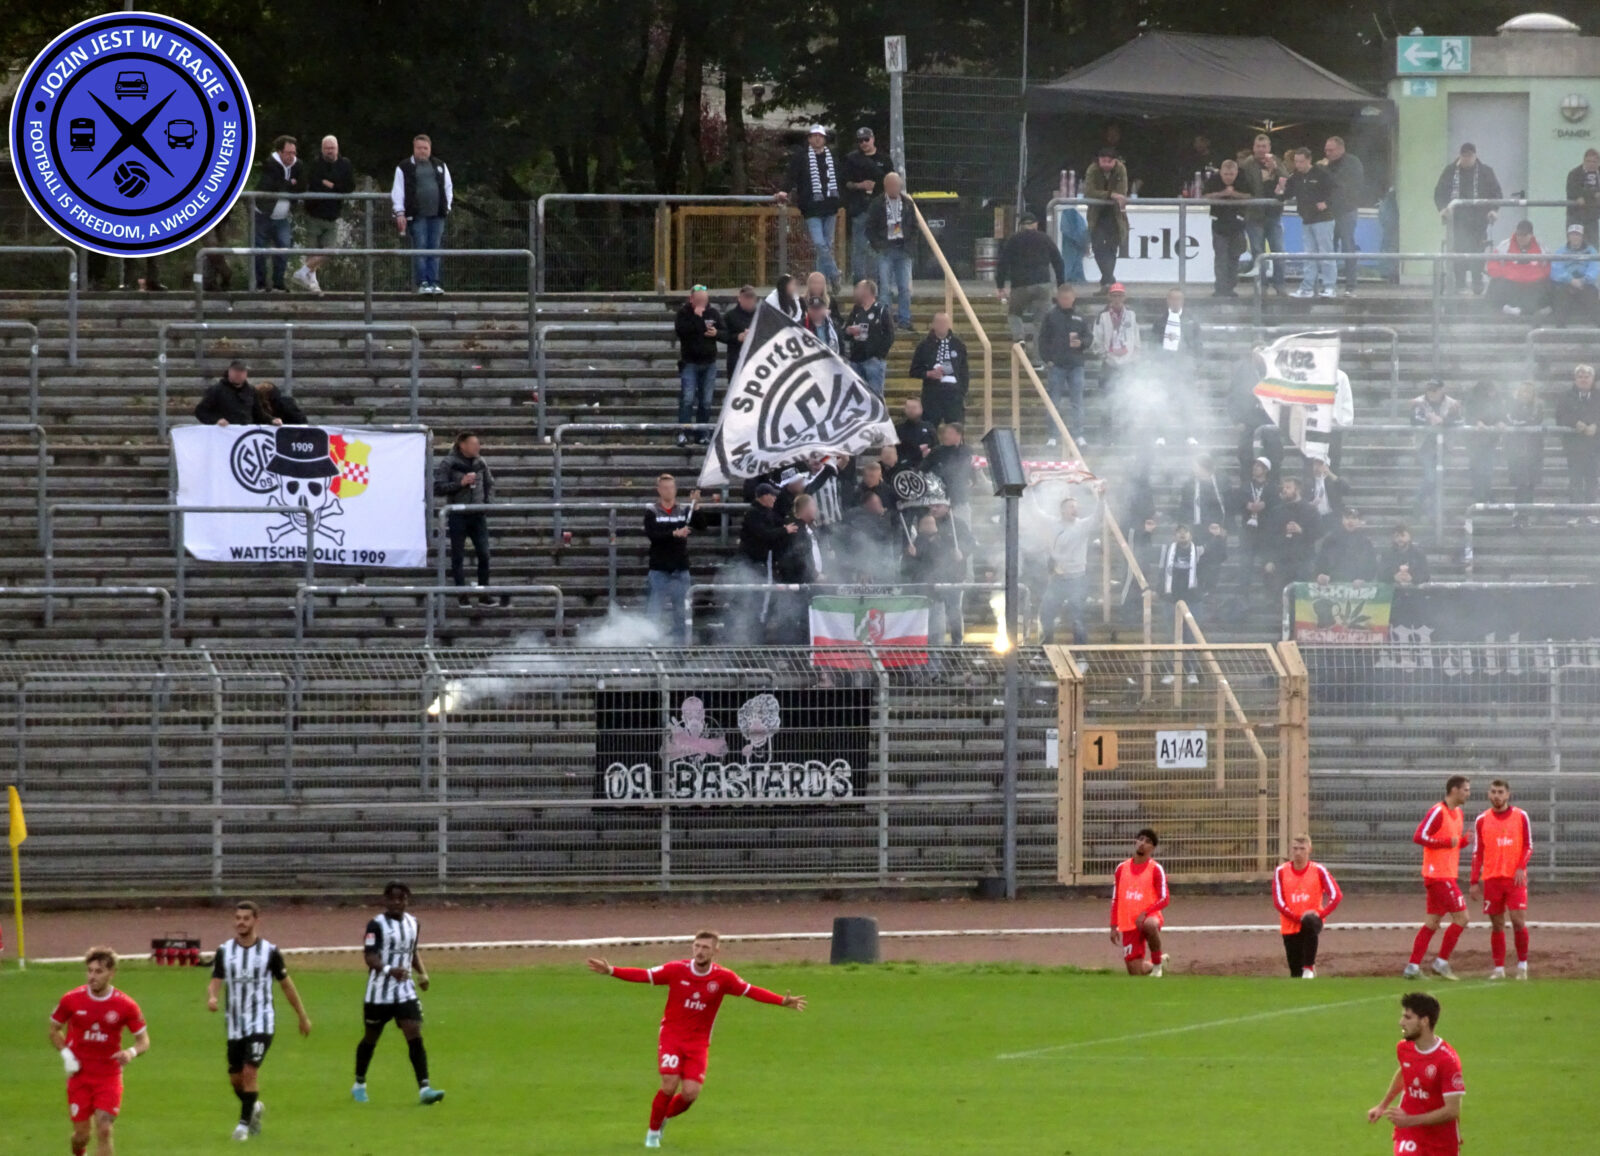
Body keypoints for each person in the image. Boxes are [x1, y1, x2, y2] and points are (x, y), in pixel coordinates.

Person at [586, 931, 805, 1149]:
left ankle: (663, 1119)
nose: (700, 951)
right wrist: (611, 970)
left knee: (690, 1094)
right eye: (697, 946)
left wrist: (781, 1001)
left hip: (698, 1042)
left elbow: (750, 991)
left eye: (705, 948)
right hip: (672, 1035)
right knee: (669, 1083)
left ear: (716, 951)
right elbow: (645, 975)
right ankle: (652, 1136)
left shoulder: (723, 977)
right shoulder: (676, 969)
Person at [207, 900, 313, 1140]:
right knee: (235, 1078)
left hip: (261, 1020)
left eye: (245, 918)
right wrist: (212, 997)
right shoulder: (225, 951)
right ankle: (253, 1108)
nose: (240, 923)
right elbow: (216, 980)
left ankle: (243, 1126)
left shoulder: (270, 952)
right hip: (234, 1023)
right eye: (237, 918)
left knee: (249, 1071)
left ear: (256, 920)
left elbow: (286, 985)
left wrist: (302, 1016)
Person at [50, 947, 151, 1156]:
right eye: (90, 971)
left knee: (104, 1129)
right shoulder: (71, 1000)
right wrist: (67, 1055)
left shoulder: (126, 1005)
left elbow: (143, 1041)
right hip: (80, 1077)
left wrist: (130, 1053)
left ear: (111, 973)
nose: (92, 976)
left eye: (98, 972)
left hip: (109, 1076)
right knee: (81, 1136)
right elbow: (54, 1030)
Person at [352, 882, 445, 1105]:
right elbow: (370, 956)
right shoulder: (375, 925)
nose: (397, 902)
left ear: (407, 901)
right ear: (385, 900)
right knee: (371, 1037)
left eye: (401, 899)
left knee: (414, 1033)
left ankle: (425, 1088)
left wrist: (423, 973)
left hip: (405, 990)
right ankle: (360, 1083)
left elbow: (412, 951)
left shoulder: (414, 923)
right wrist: (388, 970)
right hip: (378, 994)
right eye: (392, 898)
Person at [1365, 993, 1465, 1156]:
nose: (1401, 1022)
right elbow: (1406, 1073)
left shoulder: (1447, 1060)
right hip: (1409, 1134)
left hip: (1441, 1141)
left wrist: (1410, 1120)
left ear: (1424, 1021)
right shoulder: (1405, 1048)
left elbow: (1452, 1110)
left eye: (1407, 1017)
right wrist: (1382, 1105)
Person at [1404, 775, 1472, 981]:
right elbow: (1419, 836)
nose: (1468, 793)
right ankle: (1441, 962)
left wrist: (1461, 843)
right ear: (1454, 790)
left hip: (1446, 874)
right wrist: (1446, 842)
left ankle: (1412, 967)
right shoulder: (1437, 811)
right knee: (1462, 918)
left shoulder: (1458, 813)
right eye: (1466, 789)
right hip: (1439, 876)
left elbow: (1451, 843)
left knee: (1432, 923)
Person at [1471, 778, 1533, 980]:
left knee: (1517, 921)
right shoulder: (1482, 820)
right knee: (1497, 924)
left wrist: (1520, 868)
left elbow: (1528, 846)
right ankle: (1499, 968)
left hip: (1514, 879)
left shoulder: (1520, 816)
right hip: (1491, 879)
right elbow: (1477, 852)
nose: (1496, 795)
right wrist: (1473, 881)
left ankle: (1522, 965)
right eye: (1493, 792)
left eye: (1500, 792)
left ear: (1508, 794)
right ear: (1489, 794)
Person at [433, 432, 496, 602]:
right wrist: (460, 484)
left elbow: (490, 483)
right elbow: (438, 487)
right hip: (458, 514)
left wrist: (487, 503)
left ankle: (484, 594)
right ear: (463, 445)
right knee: (458, 556)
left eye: (478, 444)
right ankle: (462, 595)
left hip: (477, 514)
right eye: (474, 444)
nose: (478, 447)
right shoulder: (449, 462)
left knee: (484, 554)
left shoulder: (480, 462)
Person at [1433, 143, 1502, 295]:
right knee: (1458, 251)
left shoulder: (1485, 172)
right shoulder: (1450, 171)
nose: (1467, 159)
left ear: (1475, 156)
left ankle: (1477, 283)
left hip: (1479, 221)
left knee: (1477, 251)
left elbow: (1496, 193)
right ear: (1460, 156)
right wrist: (1443, 209)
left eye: (1470, 156)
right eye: (1464, 156)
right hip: (1456, 221)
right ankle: (1460, 283)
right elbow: (1439, 192)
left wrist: (1493, 210)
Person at [781, 125, 842, 289]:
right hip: (811, 208)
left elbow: (840, 178)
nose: (817, 139)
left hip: (830, 206)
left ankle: (820, 284)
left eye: (820, 136)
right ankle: (835, 274)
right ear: (809, 139)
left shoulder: (832, 157)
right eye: (813, 136)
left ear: (824, 139)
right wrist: (783, 190)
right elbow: (791, 176)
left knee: (827, 246)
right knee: (820, 244)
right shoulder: (801, 157)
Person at [391, 134, 453, 295]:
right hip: (417, 215)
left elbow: (448, 188)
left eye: (425, 148)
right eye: (419, 148)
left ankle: (434, 282)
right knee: (420, 247)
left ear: (430, 149)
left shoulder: (440, 165)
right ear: (414, 148)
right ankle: (423, 282)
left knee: (435, 248)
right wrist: (400, 212)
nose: (422, 151)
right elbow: (398, 191)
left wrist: (447, 207)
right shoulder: (404, 167)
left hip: (437, 215)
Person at [1272, 834, 1342, 978]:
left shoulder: (1318, 870)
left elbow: (1336, 895)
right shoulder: (1281, 871)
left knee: (1309, 922)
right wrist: (1297, 917)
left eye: (1302, 849)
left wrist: (1320, 915)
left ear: (1309, 849)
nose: (1298, 852)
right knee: (1295, 971)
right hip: (1290, 923)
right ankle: (1305, 972)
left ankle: (1309, 967)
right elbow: (1278, 901)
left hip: (1311, 921)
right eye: (1295, 848)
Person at [645, 475, 703, 645]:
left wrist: (696, 506)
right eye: (664, 488)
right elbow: (653, 535)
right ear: (658, 490)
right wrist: (673, 533)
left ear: (675, 489)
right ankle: (651, 648)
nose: (668, 491)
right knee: (654, 611)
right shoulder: (652, 511)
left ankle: (681, 650)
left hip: (680, 568)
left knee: (681, 612)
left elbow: (701, 525)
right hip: (659, 568)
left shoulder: (684, 510)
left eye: (671, 487)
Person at [293, 134, 355, 294]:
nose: (330, 151)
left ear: (337, 148)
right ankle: (312, 284)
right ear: (322, 150)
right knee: (312, 251)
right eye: (327, 148)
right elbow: (314, 183)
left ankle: (302, 272)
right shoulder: (315, 164)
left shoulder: (345, 164)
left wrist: (331, 185)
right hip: (314, 213)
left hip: (332, 215)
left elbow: (349, 187)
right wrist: (332, 186)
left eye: (332, 148)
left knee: (330, 251)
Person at [995, 212, 1065, 348]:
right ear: (1036, 225)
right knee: (1041, 323)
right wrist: (1061, 285)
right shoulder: (1045, 238)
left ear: (1021, 226)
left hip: (1020, 286)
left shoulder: (1013, 239)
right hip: (1043, 285)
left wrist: (1000, 286)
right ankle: (1038, 361)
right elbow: (1058, 262)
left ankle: (1019, 338)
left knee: (1014, 314)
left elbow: (1002, 263)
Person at [1109, 828, 1169, 976]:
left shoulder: (1155, 869)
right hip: (1129, 922)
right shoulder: (1121, 868)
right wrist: (1113, 926)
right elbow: (1116, 898)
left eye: (1148, 842)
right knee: (1135, 971)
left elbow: (1164, 898)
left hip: (1149, 916)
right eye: (1141, 839)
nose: (1143, 843)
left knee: (1150, 925)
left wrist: (1145, 913)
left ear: (1153, 848)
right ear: (1135, 842)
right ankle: (1157, 961)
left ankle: (1157, 966)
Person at [1038, 283, 1092, 444]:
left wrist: (1082, 343)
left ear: (1073, 298)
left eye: (1068, 298)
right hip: (1057, 365)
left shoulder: (1080, 316)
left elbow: (1089, 337)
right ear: (1058, 298)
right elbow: (1042, 339)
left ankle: (1078, 435)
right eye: (1062, 298)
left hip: (1076, 365)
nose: (1065, 301)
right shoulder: (1051, 316)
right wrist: (1047, 359)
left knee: (1077, 401)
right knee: (1054, 401)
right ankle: (1053, 436)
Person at [1038, 496, 1095, 645]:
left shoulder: (1083, 525)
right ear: (1062, 510)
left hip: (1077, 579)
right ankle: (1045, 651)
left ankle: (1081, 656)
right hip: (1058, 579)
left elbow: (1099, 515)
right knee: (1045, 613)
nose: (1075, 509)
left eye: (1076, 507)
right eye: (1071, 506)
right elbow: (1035, 513)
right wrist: (1030, 489)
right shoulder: (1053, 524)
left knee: (1077, 618)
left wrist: (1101, 497)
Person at [903, 510, 965, 644]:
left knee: (937, 631)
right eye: (926, 523)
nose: (929, 526)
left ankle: (935, 663)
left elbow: (950, 566)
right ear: (919, 527)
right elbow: (905, 570)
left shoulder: (945, 543)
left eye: (932, 523)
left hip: (939, 593)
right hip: (920, 594)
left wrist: (958, 557)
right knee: (920, 631)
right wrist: (909, 556)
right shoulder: (914, 545)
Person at [864, 172, 917, 333]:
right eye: (892, 186)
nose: (895, 189)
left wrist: (911, 244)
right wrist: (877, 245)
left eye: (898, 186)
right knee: (885, 287)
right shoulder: (877, 204)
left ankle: (904, 320)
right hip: (885, 249)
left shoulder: (908, 204)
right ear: (886, 187)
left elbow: (914, 227)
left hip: (903, 249)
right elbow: (870, 228)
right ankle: (885, 321)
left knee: (904, 287)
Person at [842, 127, 892, 283]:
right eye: (860, 140)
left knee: (880, 246)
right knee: (860, 246)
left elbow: (891, 181)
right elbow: (845, 183)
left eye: (866, 139)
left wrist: (876, 186)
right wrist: (860, 185)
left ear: (873, 139)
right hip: (860, 207)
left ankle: (881, 281)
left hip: (880, 208)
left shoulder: (884, 159)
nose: (863, 143)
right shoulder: (852, 159)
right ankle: (859, 281)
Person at [1239, 134, 1288, 295]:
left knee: (1278, 251)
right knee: (1257, 252)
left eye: (1264, 146)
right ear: (1253, 148)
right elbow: (1242, 186)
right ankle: (1262, 285)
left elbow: (1286, 180)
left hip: (1274, 214)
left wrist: (1275, 168)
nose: (1261, 149)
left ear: (1269, 147)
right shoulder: (1247, 164)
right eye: (1258, 146)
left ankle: (1279, 284)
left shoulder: (1276, 161)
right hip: (1255, 215)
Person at [253, 135, 302, 292]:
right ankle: (260, 283)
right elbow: (271, 185)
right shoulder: (269, 164)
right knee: (259, 249)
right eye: (288, 153)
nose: (291, 156)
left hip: (282, 216)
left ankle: (278, 283)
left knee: (284, 248)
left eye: (294, 152)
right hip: (263, 215)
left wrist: (288, 185)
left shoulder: (298, 165)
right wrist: (290, 184)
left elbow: (301, 186)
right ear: (279, 152)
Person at [1285, 148, 1336, 299]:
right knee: (1309, 255)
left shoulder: (1321, 173)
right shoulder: (1295, 176)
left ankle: (1329, 287)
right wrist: (1280, 190)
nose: (1298, 165)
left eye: (1301, 161)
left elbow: (1336, 190)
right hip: (1306, 219)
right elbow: (1287, 194)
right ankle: (1307, 287)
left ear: (1309, 160)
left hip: (1323, 219)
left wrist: (1326, 203)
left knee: (1326, 254)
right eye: (1296, 161)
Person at [674, 285, 721, 443]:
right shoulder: (683, 313)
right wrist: (696, 317)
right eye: (699, 300)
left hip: (709, 363)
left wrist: (717, 333)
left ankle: (702, 433)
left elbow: (725, 332)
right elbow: (682, 332)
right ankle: (683, 432)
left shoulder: (713, 313)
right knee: (688, 398)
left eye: (705, 300)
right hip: (690, 362)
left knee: (706, 400)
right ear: (691, 299)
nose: (703, 303)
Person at [1410, 380, 1463, 519]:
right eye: (1429, 390)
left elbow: (1460, 421)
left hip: (1445, 446)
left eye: (1435, 390)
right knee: (1431, 477)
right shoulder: (1419, 402)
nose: (1431, 393)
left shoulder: (1452, 403)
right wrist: (1429, 419)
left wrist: (1443, 421)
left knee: (1439, 480)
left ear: (1442, 390)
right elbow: (1414, 419)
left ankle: (1432, 511)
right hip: (1425, 445)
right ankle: (1419, 502)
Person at [910, 312, 970, 428]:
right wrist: (928, 373)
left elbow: (964, 371)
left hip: (953, 395)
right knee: (929, 428)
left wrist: (962, 391)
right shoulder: (924, 345)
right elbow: (914, 370)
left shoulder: (958, 345)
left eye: (945, 323)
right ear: (933, 325)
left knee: (955, 428)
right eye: (939, 322)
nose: (942, 325)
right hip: (932, 395)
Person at [1556, 363, 1600, 516]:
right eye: (1580, 377)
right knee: (1575, 480)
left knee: (1592, 480)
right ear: (1575, 379)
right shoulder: (1565, 397)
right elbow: (1560, 417)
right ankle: (1575, 513)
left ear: (1593, 379)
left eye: (1587, 377)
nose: (1583, 380)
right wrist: (1575, 423)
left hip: (1595, 446)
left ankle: (1591, 512)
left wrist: (1596, 425)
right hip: (1574, 446)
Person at [1083, 147, 1130, 291]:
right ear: (1098, 160)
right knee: (1097, 247)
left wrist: (1110, 195)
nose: (1106, 165)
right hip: (1097, 215)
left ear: (1115, 161)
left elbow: (1122, 192)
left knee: (1111, 248)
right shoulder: (1092, 170)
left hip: (1114, 215)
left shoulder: (1121, 169)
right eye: (1103, 161)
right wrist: (1111, 195)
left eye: (1109, 162)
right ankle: (1109, 280)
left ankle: (1107, 282)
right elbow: (1089, 192)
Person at [1322, 136, 1364, 296]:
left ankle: (1350, 286)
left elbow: (1343, 185)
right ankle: (1329, 285)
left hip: (1346, 211)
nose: (1327, 153)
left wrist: (1325, 170)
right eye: (1326, 150)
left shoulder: (1352, 163)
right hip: (1329, 213)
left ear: (1341, 149)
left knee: (1347, 247)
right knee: (1328, 249)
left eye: (1331, 150)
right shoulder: (1326, 165)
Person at [1202, 159, 1250, 296]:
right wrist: (1223, 193)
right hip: (1219, 224)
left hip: (1238, 224)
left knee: (1234, 257)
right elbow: (1205, 195)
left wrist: (1234, 195)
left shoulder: (1242, 178)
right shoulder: (1214, 179)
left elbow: (1250, 195)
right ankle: (1220, 289)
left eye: (1231, 174)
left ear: (1236, 173)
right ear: (1221, 172)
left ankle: (1230, 288)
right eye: (1226, 174)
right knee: (1221, 258)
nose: (1228, 177)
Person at [1262, 477, 1318, 590]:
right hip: (1281, 562)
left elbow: (1318, 533)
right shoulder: (1276, 511)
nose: (1284, 490)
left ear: (1297, 490)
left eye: (1288, 487)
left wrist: (1301, 530)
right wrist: (1269, 560)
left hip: (1303, 561)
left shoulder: (1311, 510)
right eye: (1283, 488)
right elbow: (1268, 538)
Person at [1485, 219, 1549, 316]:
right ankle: (1502, 309)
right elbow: (1492, 265)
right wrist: (1506, 273)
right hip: (1511, 283)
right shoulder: (1505, 245)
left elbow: (1547, 268)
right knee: (1495, 283)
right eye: (1519, 234)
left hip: (1531, 285)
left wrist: (1532, 276)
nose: (1521, 238)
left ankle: (1523, 311)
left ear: (1531, 235)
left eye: (1524, 235)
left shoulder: (1541, 247)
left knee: (1547, 284)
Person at [843, 278, 894, 397]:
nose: (855, 291)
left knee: (875, 397)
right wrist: (849, 331)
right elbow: (845, 330)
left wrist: (878, 356)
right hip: (855, 361)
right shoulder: (856, 310)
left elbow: (890, 335)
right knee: (857, 397)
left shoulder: (881, 310)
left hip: (873, 361)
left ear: (866, 291)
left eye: (858, 289)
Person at [1090, 283, 1139, 399]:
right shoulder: (1102, 316)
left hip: (1128, 363)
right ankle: (1107, 417)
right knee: (1107, 395)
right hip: (1109, 363)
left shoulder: (1131, 315)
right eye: (1114, 296)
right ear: (1109, 297)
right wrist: (1105, 356)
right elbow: (1097, 338)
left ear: (1124, 297)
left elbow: (1136, 337)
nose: (1117, 299)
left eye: (1120, 296)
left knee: (1128, 396)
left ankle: (1127, 417)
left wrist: (1134, 356)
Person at [195, 360, 278, 427]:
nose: (238, 374)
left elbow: (258, 413)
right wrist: (216, 420)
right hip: (222, 435)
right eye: (235, 371)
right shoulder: (216, 390)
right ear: (229, 372)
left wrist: (271, 420)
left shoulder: (251, 391)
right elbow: (200, 411)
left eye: (241, 371)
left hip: (245, 435)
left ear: (246, 374)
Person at [1504, 380, 1546, 508]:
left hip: (1534, 450)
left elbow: (1534, 420)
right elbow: (1513, 420)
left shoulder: (1538, 407)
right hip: (1516, 450)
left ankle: (1527, 511)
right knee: (1521, 483)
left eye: (1529, 392)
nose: (1525, 394)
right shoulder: (1511, 406)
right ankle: (1519, 512)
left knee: (1531, 483)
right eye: (1523, 391)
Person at [1549, 223, 1599, 327]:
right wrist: (1570, 280)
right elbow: (1556, 270)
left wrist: (1584, 280)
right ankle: (1560, 330)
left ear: (1582, 236)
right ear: (1568, 236)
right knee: (1560, 295)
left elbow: (1595, 268)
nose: (1575, 237)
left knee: (1593, 296)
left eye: (1578, 235)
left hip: (1585, 283)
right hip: (1566, 284)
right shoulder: (1560, 251)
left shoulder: (1591, 251)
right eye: (1572, 234)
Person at [1313, 507, 1377, 583]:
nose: (1350, 521)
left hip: (1357, 586)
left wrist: (1364, 579)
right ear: (1342, 520)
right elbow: (1321, 560)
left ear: (1359, 521)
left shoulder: (1366, 542)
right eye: (1347, 518)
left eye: (1354, 518)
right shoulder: (1331, 539)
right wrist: (1320, 574)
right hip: (1331, 584)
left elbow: (1371, 565)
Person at [1463, 380, 1502, 506]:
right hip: (1474, 440)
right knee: (1477, 467)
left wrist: (1500, 422)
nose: (1493, 393)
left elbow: (1500, 414)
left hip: (1490, 439)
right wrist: (1477, 422)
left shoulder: (1496, 400)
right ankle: (1478, 493)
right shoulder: (1473, 400)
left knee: (1488, 468)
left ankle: (1487, 492)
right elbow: (1469, 416)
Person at [1151, 286, 1202, 373]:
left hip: (1186, 364)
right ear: (1168, 300)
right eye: (1172, 299)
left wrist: (1196, 363)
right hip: (1165, 365)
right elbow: (1154, 344)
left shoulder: (1191, 321)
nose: (1175, 302)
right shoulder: (1159, 322)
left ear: (1183, 301)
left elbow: (1198, 343)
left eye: (1178, 299)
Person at [720, 285, 758, 379]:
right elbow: (720, 334)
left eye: (751, 298)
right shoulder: (730, 316)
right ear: (740, 299)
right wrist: (738, 337)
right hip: (736, 362)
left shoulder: (761, 315)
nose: (749, 300)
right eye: (746, 298)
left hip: (756, 362)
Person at [1381, 523, 1432, 588]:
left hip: (1414, 592)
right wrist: (1394, 577)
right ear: (1393, 538)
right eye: (1397, 536)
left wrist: (1412, 578)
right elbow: (1381, 575)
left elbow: (1426, 576)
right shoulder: (1387, 554)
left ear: (1410, 537)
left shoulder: (1418, 554)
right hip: (1392, 592)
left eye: (1403, 536)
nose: (1400, 539)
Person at [1565, 147, 1600, 242]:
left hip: (1592, 217)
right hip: (1575, 215)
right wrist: (1594, 194)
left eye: (1594, 162)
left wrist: (1586, 196)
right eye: (1588, 161)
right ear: (1584, 161)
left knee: (1592, 247)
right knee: (1574, 246)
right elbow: (1572, 191)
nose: (1591, 164)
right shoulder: (1574, 174)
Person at [1305, 457, 1349, 521]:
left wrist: (1330, 474)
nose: (1317, 467)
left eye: (1320, 464)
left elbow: (1346, 489)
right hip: (1314, 516)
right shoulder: (1308, 481)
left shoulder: (1332, 480)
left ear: (1326, 466)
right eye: (1315, 464)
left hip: (1331, 516)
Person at [895, 398, 935, 466]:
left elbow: (934, 444)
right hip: (905, 465)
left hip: (926, 464)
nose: (911, 410)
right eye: (908, 407)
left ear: (921, 409)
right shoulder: (899, 428)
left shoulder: (929, 427)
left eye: (914, 407)